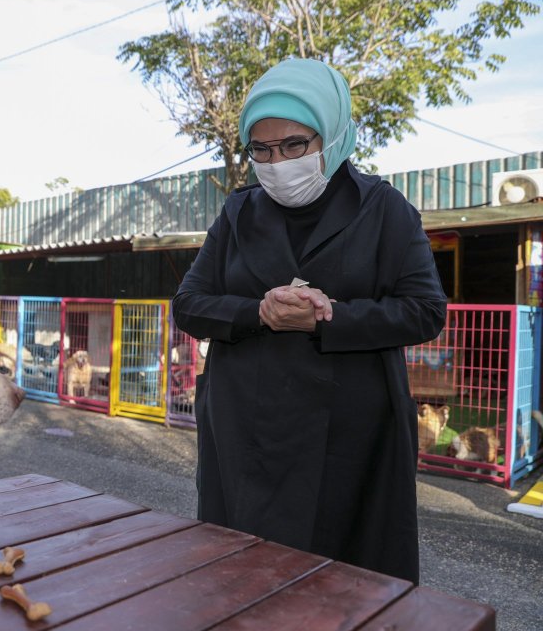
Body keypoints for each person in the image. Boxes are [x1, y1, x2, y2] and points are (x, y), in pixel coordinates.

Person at [171, 57, 447, 584]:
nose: (277, 162)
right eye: (262, 150)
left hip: (352, 436)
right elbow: (188, 302)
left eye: (295, 145)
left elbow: (425, 310)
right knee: (244, 576)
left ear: (333, 134)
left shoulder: (385, 209)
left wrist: (329, 319)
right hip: (248, 431)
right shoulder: (238, 213)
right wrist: (259, 311)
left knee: (344, 584)